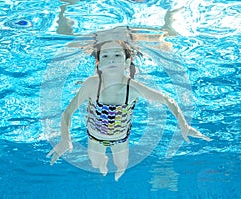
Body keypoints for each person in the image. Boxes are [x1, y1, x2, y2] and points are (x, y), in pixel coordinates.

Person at [47, 39, 211, 181]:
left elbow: (168, 100)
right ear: (98, 63)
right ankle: (103, 163)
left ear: (127, 61)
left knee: (121, 165)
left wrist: (184, 125)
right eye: (105, 56)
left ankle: (117, 171)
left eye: (117, 55)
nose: (111, 60)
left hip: (121, 139)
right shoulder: (91, 84)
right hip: (94, 137)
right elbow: (67, 113)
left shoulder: (133, 88)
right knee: (96, 164)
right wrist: (65, 139)